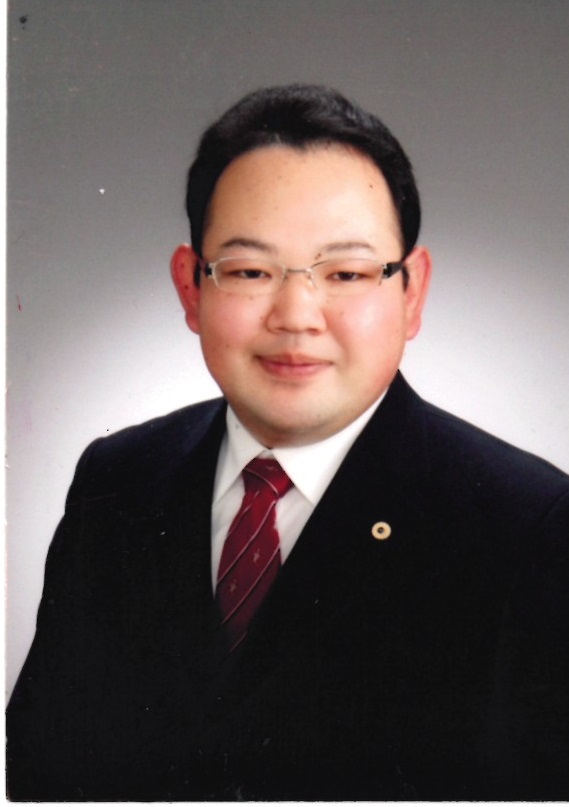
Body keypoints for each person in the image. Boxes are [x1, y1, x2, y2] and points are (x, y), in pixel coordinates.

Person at [6, 84, 569, 801]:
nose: (296, 315)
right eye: (249, 271)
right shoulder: (118, 481)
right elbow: (37, 768)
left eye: (346, 273)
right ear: (191, 288)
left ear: (412, 293)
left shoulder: (529, 525)